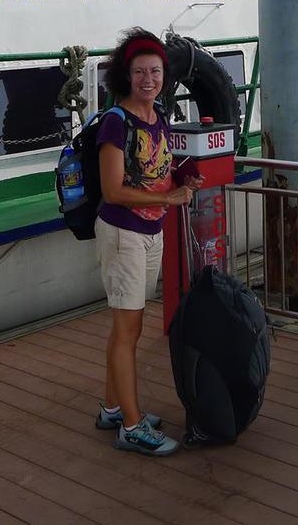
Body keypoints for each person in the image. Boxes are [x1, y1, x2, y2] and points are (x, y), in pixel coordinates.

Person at [95, 28, 200, 457]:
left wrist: (180, 181)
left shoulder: (157, 116)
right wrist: (166, 199)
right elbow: (113, 191)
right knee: (129, 330)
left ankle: (113, 409)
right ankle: (132, 427)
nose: (148, 80)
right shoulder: (115, 123)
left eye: (155, 72)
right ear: (126, 75)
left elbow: (156, 170)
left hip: (150, 231)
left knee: (125, 327)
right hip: (124, 233)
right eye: (140, 72)